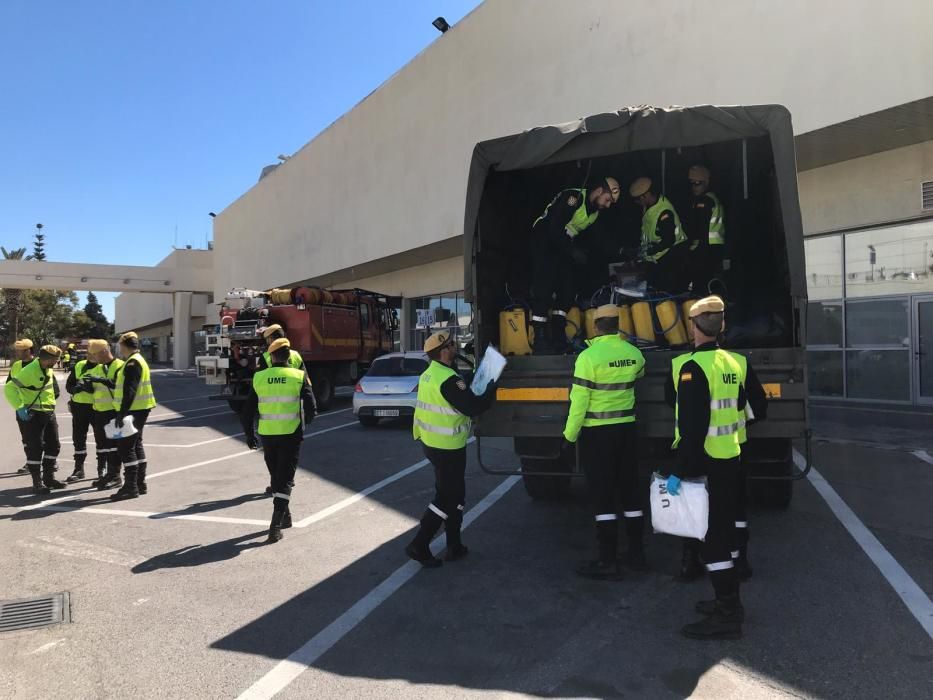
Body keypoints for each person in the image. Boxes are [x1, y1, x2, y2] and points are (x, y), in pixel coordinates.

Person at [664, 295, 765, 640]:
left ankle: (727, 613)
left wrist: (679, 470)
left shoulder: (692, 368)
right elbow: (755, 409)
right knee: (723, 534)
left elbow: (692, 429)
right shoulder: (735, 362)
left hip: (705, 464)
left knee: (712, 542)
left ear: (693, 327)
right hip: (730, 458)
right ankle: (729, 602)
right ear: (721, 327)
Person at [563, 304, 647, 580]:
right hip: (627, 430)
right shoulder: (634, 354)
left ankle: (607, 559)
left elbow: (580, 401)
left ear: (596, 326)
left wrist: (569, 435)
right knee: (630, 490)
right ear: (617, 323)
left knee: (603, 495)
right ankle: (636, 553)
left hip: (597, 434)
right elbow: (638, 375)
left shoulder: (588, 358)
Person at [406, 330, 497, 567]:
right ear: (444, 351)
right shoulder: (449, 379)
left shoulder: (431, 374)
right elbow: (472, 407)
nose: (456, 348)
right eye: (452, 345)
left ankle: (454, 545)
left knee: (455, 495)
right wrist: (491, 388)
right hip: (447, 447)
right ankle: (419, 544)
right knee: (447, 497)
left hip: (433, 443)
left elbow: (454, 394)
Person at [530, 177, 620, 353]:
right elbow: (554, 227)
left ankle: (558, 334)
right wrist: (572, 251)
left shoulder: (594, 213)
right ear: (600, 191)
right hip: (544, 240)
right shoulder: (574, 198)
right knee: (545, 287)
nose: (607, 205)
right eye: (607, 199)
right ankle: (539, 338)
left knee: (567, 289)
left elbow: (593, 238)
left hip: (562, 246)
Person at [240, 337, 317, 543]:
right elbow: (311, 408)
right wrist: (303, 425)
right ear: (288, 355)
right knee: (285, 479)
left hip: (267, 435)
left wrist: (249, 434)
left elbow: (247, 411)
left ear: (272, 356)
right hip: (291, 434)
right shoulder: (298, 376)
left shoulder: (259, 377)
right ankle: (275, 526)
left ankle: (285, 517)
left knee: (277, 477)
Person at [5, 344, 64, 495]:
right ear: (47, 359)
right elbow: (9, 387)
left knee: (54, 445)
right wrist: (19, 407)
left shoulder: (48, 368)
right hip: (34, 414)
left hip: (48, 412)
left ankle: (49, 478)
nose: (56, 363)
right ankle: (37, 483)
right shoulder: (30, 371)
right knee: (35, 448)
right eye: (55, 360)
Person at [108, 332, 157, 501]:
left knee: (125, 448)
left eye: (120, 346)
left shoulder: (132, 363)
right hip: (140, 409)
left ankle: (130, 487)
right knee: (136, 446)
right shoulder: (138, 360)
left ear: (123, 346)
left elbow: (130, 390)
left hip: (133, 411)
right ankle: (139, 483)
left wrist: (122, 413)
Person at [629, 177, 688, 293]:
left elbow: (669, 240)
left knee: (667, 294)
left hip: (672, 255)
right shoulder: (649, 205)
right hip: (658, 257)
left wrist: (651, 249)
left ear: (644, 196)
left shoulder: (663, 212)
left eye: (637, 200)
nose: (637, 203)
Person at [85, 340, 125, 488]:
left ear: (103, 352)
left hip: (114, 412)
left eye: (95, 355)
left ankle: (116, 476)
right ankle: (109, 474)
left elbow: (120, 385)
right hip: (99, 412)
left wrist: (102, 380)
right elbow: (93, 389)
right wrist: (86, 386)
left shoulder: (120, 366)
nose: (94, 358)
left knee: (115, 446)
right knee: (105, 446)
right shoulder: (97, 368)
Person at [685, 165, 726, 294]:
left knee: (702, 288)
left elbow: (701, 229)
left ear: (706, 182)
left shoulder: (705, 202)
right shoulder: (710, 199)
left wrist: (693, 248)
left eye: (697, 183)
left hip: (706, 249)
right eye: (691, 183)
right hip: (711, 249)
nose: (694, 187)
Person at [63, 346, 98, 482]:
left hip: (98, 408)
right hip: (79, 408)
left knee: (101, 439)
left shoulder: (105, 367)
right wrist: (75, 389)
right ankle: (79, 469)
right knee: (78, 439)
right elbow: (68, 385)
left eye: (93, 352)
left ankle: (103, 469)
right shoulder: (80, 365)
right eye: (89, 352)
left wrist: (91, 389)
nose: (90, 355)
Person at [7, 338, 35, 474]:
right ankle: (30, 462)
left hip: (38, 408)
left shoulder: (39, 364)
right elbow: (9, 386)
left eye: (20, 351)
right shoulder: (17, 365)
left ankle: (50, 463)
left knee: (42, 438)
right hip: (21, 407)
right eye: (17, 350)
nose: (17, 353)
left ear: (28, 350)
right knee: (26, 438)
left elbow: (53, 389)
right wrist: (19, 406)